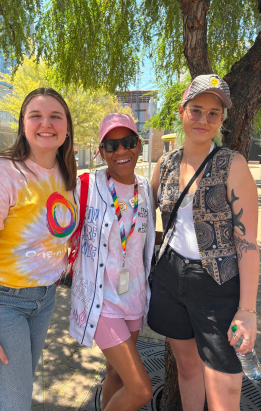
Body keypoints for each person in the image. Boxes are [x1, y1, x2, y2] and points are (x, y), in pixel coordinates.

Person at [0, 88, 77, 410]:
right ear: (23, 125)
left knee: (12, 396)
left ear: (66, 127)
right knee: (10, 404)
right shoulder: (0, 173)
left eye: (55, 116)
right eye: (36, 115)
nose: (46, 123)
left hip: (43, 299)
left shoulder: (65, 175)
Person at [148, 74, 259, 411]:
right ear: (182, 111)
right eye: (196, 110)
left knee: (224, 387)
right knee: (187, 367)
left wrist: (247, 310)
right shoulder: (166, 163)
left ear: (222, 120)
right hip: (169, 276)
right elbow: (140, 211)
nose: (204, 119)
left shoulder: (233, 165)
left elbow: (249, 245)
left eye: (214, 113)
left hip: (218, 284)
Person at [69, 113, 156, 411]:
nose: (121, 151)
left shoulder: (145, 189)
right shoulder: (86, 187)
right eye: (112, 145)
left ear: (139, 145)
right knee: (142, 389)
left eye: (128, 142)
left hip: (134, 301)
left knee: (116, 372)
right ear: (101, 151)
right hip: (102, 303)